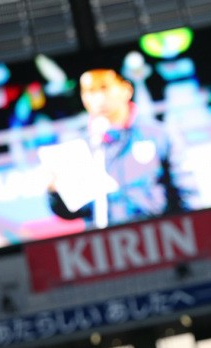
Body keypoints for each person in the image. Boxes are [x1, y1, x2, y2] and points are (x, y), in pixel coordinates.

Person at [45, 68, 191, 229]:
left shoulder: (159, 134)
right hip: (105, 244)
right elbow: (75, 211)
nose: (98, 98)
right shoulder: (79, 145)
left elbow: (187, 192)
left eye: (104, 88)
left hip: (159, 236)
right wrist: (55, 192)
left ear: (126, 90)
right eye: (89, 91)